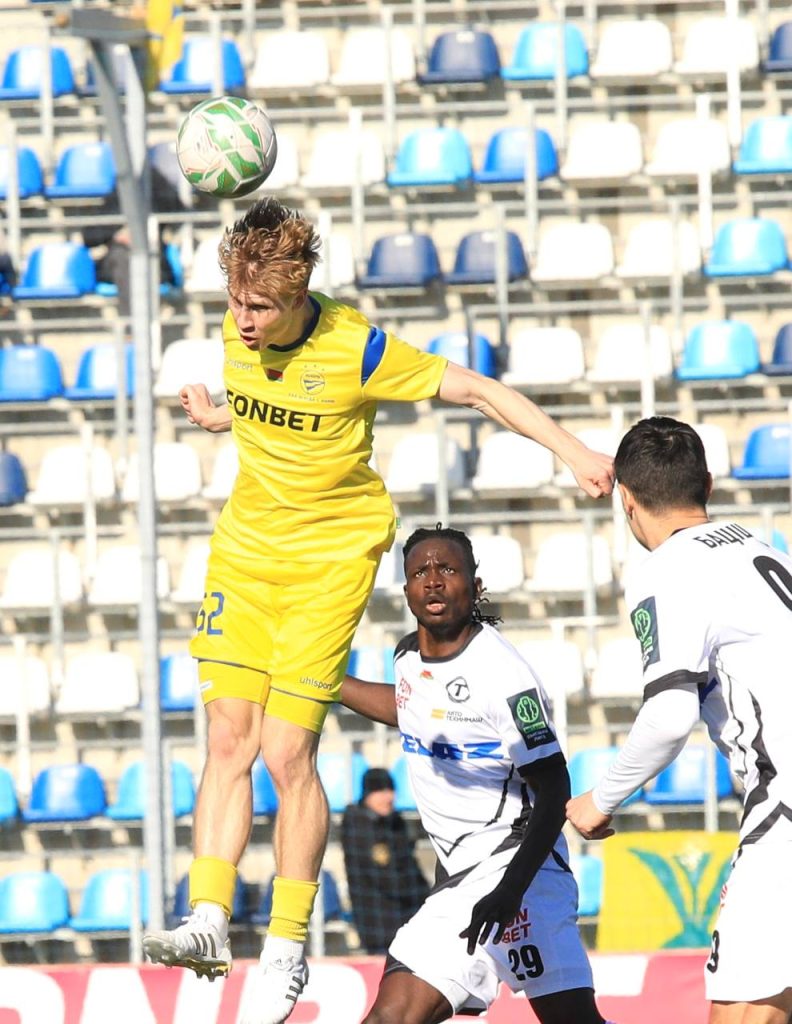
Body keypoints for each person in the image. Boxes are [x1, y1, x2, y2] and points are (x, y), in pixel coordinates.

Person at [141, 197, 614, 1024]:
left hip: (328, 561)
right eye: (237, 303)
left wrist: (574, 451)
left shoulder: (355, 348)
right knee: (226, 739)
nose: (244, 321)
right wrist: (224, 413)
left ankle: (286, 948)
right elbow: (269, 404)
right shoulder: (237, 329)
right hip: (245, 553)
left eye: (262, 307)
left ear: (299, 296)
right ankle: (209, 917)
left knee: (285, 752)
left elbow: (476, 390)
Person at [566, 416, 792, 1024]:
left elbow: (668, 717)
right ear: (708, 486)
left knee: (743, 1011)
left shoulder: (667, 571)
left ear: (626, 500)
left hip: (786, 806)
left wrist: (600, 800)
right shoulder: (763, 549)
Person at [340, 525, 613, 1024]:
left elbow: (554, 786)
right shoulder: (406, 656)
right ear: (406, 590)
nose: (433, 580)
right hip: (462, 883)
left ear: (475, 585)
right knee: (390, 1017)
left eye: (447, 569)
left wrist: (511, 888)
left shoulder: (503, 675)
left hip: (523, 873)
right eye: (420, 572)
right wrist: (327, 682)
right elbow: (411, 709)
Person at [341, 766, 430, 955]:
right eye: (380, 791)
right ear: (368, 795)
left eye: (390, 790)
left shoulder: (396, 823)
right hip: (379, 927)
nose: (388, 797)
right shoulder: (358, 826)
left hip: (411, 922)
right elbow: (387, 879)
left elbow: (412, 870)